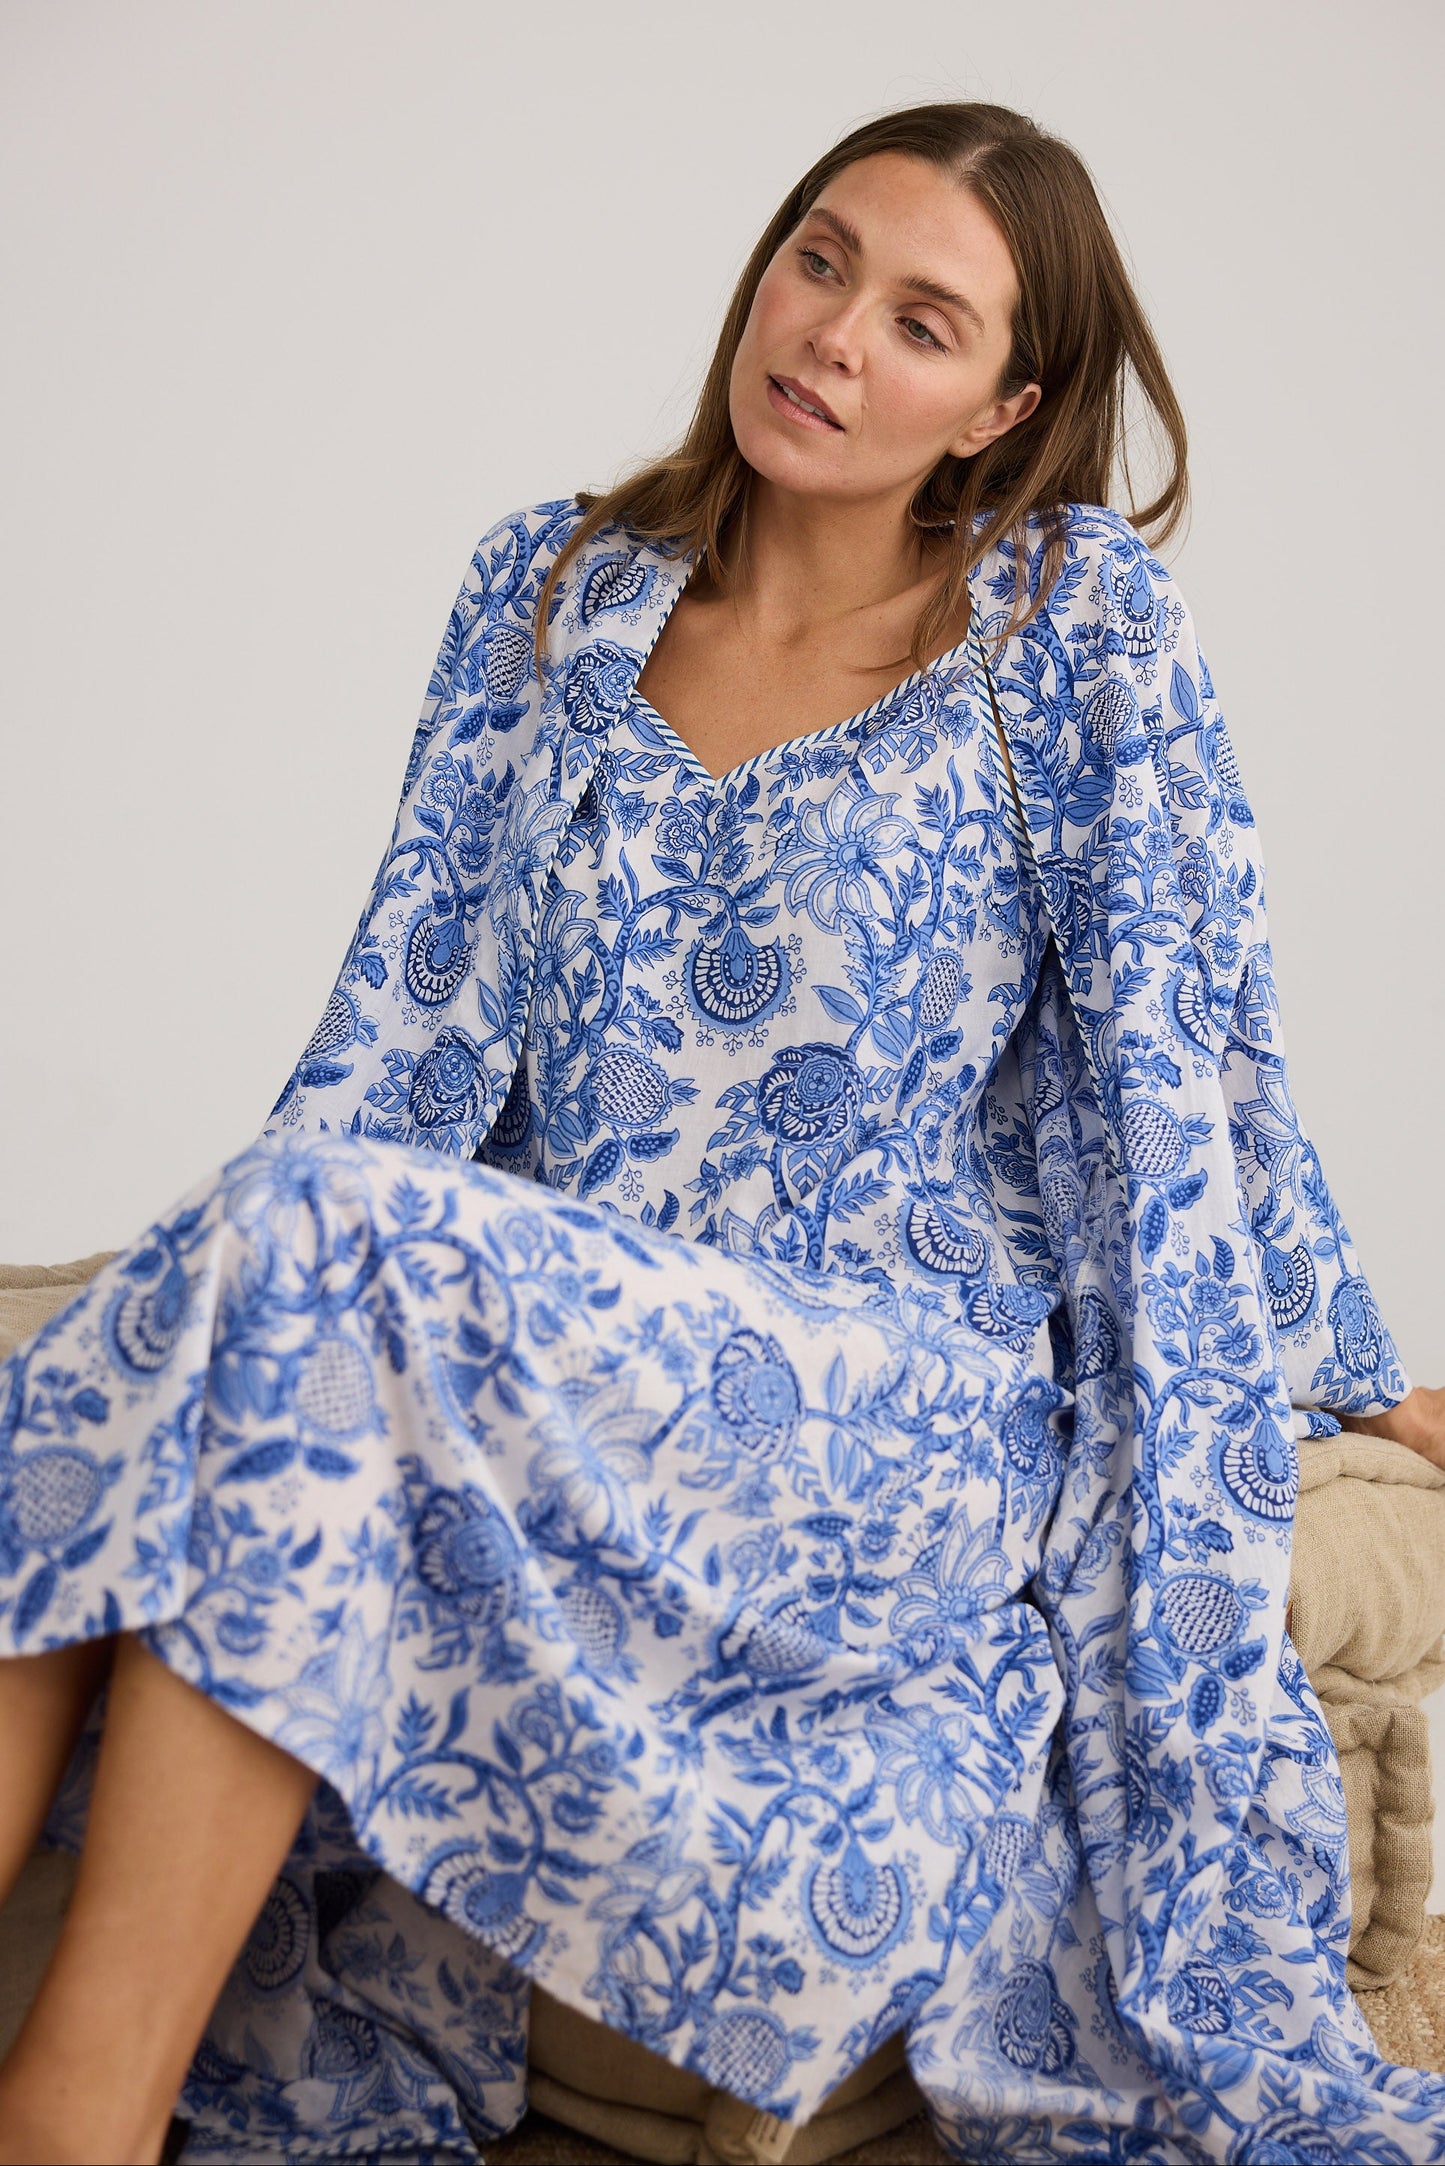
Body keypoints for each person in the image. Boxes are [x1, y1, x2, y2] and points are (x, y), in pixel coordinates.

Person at [1, 98, 1442, 2166]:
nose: (837, 333)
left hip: (895, 1416)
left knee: (295, 1252)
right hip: (563, 1366)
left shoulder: (1075, 631)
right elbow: (398, 1018)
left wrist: (1350, 1370)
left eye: (925, 322)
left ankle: (69, 2121)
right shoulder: (555, 585)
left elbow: (1198, 1054)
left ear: (1001, 404)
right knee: (245, 1270)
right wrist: (201, 1316)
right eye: (822, 258)